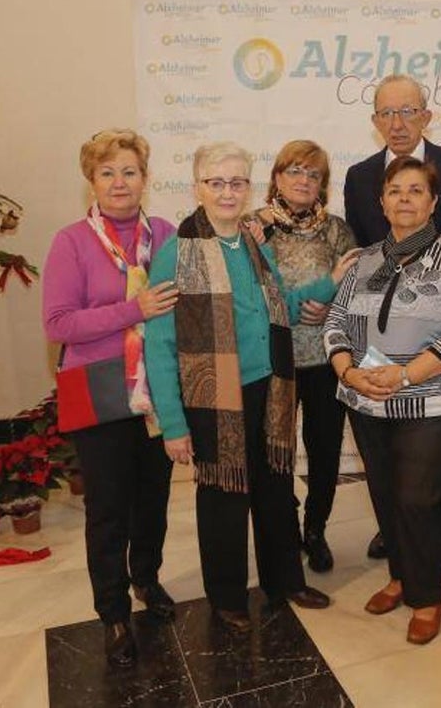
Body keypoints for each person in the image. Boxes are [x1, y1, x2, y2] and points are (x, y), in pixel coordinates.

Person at [144, 141, 357, 633]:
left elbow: (282, 304)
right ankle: (227, 597)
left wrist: (329, 281)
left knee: (275, 491)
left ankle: (286, 581)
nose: (227, 192)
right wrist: (173, 425)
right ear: (197, 187)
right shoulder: (177, 252)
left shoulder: (253, 244)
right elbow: (159, 344)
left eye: (237, 182)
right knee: (223, 497)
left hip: (269, 388)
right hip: (215, 396)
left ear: (248, 186)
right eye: (216, 182)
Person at [324, 156, 441, 645]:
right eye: (395, 191)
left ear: (433, 202)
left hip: (430, 399)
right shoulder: (365, 259)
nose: (405, 199)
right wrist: (349, 371)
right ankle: (400, 576)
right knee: (385, 494)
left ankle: (428, 596)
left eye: (416, 191)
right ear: (382, 202)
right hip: (366, 399)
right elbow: (336, 321)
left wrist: (405, 374)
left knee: (419, 498)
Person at [43, 128, 178, 669]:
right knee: (108, 510)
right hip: (98, 389)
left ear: (145, 178)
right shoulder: (71, 242)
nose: (119, 182)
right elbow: (58, 324)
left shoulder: (165, 234)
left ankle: (147, 578)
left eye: (129, 171)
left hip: (157, 387)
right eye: (107, 173)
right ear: (92, 181)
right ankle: (113, 612)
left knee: (154, 498)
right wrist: (133, 310)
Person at [344, 73, 441, 563]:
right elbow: (363, 250)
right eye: (387, 113)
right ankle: (397, 529)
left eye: (407, 111)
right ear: (374, 121)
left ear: (426, 116)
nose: (398, 123)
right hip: (381, 335)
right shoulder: (359, 176)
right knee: (386, 446)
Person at [250, 140, 357, 573]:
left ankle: (316, 528)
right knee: (275, 453)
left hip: (326, 362)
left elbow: (355, 294)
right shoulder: (253, 229)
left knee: (325, 451)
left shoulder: (337, 231)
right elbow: (253, 296)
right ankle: (287, 527)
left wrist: (332, 309)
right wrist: (320, 289)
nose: (303, 180)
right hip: (272, 361)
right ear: (277, 177)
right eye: (294, 170)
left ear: (323, 185)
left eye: (313, 174)